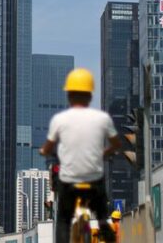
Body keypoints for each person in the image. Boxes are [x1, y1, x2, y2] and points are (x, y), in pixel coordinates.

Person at [40, 68, 119, 243]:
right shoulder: (102, 118)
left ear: (69, 95)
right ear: (90, 96)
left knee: (62, 219)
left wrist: (44, 151)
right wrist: (103, 154)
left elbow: (48, 147)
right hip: (93, 181)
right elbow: (116, 144)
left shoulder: (59, 119)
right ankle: (103, 223)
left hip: (69, 183)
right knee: (100, 201)